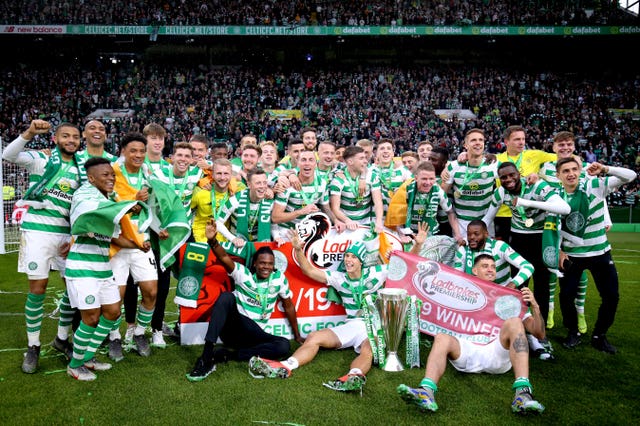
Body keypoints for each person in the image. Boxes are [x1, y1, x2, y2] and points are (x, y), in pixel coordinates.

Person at [397, 254, 545, 415]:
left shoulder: (508, 297)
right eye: (485, 266)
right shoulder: (461, 292)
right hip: (466, 350)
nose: (490, 269)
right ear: (474, 270)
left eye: (493, 267)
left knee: (515, 322)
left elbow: (539, 333)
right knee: (441, 337)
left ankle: (523, 394)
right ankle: (426, 391)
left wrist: (535, 307)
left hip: (495, 352)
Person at [249, 235, 388, 394]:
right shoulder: (339, 278)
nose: (348, 260)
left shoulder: (377, 273)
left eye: (353, 257)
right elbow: (309, 270)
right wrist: (298, 249)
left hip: (374, 325)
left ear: (361, 261)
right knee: (314, 337)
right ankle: (286, 366)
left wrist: (417, 245)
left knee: (368, 349)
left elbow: (402, 268)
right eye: (347, 256)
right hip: (353, 325)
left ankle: (354, 377)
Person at [2, 119, 83, 373]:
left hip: (66, 236)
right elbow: (8, 155)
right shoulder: (41, 159)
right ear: (55, 139)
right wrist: (28, 133)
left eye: (75, 137)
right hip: (37, 232)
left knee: (73, 287)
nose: (71, 140)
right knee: (38, 288)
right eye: (66, 136)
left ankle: (61, 339)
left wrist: (75, 237)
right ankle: (33, 346)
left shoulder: (83, 169)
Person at [186, 220, 304, 382]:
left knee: (283, 345)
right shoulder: (243, 275)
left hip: (254, 334)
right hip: (234, 329)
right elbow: (223, 257)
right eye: (262, 263)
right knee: (226, 297)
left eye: (270, 264)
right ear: (255, 264)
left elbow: (288, 305)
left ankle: (229, 355)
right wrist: (212, 241)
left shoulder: (278, 279)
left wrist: (297, 335)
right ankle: (206, 357)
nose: (266, 267)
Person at [64, 157, 141, 380]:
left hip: (103, 267)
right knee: (90, 317)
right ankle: (75, 364)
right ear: (91, 178)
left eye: (112, 175)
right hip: (82, 267)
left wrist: (139, 245)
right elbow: (90, 212)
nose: (111, 178)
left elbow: (115, 238)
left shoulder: (107, 200)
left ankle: (88, 357)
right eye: (105, 175)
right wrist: (126, 205)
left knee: (113, 313)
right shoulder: (84, 195)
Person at [555, 157, 637, 353]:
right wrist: (558, 250)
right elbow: (553, 226)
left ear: (581, 170)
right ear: (558, 175)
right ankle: (573, 331)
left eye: (574, 169)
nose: (571, 174)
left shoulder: (595, 184)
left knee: (611, 296)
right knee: (566, 297)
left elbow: (631, 176)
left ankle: (599, 335)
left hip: (600, 252)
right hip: (572, 255)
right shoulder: (555, 196)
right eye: (565, 171)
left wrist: (606, 169)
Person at [538, 131, 612, 332]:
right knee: (553, 267)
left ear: (573, 146)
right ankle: (551, 310)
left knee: (580, 273)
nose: (565, 148)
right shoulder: (545, 167)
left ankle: (580, 314)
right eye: (560, 145)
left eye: (568, 144)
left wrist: (606, 217)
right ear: (553, 147)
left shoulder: (586, 168)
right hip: (554, 224)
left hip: (578, 227)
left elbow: (598, 193)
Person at [482, 161, 570, 329]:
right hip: (518, 240)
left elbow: (564, 208)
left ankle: (540, 328)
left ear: (519, 174)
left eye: (511, 175)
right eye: (503, 177)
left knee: (542, 286)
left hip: (540, 239)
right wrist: (469, 237)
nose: (508, 180)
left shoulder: (536, 185)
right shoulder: (500, 192)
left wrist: (526, 202)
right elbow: (487, 218)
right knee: (518, 285)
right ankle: (517, 325)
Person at [107, 132, 161, 359]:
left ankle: (140, 332)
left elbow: (153, 207)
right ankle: (114, 337)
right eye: (133, 151)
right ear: (123, 152)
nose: (138, 155)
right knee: (115, 299)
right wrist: (132, 202)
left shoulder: (148, 174)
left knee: (151, 291)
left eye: (141, 151)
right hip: (118, 244)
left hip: (142, 243)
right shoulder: (112, 174)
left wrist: (159, 228)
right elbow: (105, 206)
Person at [494, 125, 557, 242]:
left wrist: (579, 159)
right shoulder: (495, 159)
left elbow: (563, 157)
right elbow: (475, 161)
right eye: (517, 139)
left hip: (530, 213)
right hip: (504, 215)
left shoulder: (536, 155)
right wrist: (464, 155)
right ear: (506, 141)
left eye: (523, 139)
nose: (521, 142)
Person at [386, 161, 464, 247]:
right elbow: (397, 214)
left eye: (431, 179)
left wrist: (458, 234)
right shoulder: (406, 189)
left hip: (431, 235)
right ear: (416, 178)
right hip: (409, 235)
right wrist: (401, 234)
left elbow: (450, 212)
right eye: (424, 179)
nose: (428, 183)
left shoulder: (438, 192)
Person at [442, 128, 498, 239]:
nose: (478, 143)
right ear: (465, 145)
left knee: (486, 255)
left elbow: (512, 178)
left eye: (481, 140)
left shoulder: (493, 164)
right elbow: (442, 194)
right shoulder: (454, 166)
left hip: (486, 221)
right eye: (473, 140)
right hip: (462, 224)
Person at [329, 145, 384, 233]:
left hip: (367, 225)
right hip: (346, 226)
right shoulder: (338, 180)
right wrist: (347, 220)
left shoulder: (372, 177)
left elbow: (378, 202)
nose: (366, 161)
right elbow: (335, 208)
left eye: (365, 158)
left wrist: (378, 221)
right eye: (361, 158)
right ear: (350, 161)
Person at [191, 158, 242, 243]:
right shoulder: (200, 193)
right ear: (213, 175)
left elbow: (254, 188)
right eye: (219, 173)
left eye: (226, 173)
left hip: (224, 240)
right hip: (200, 239)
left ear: (231, 176)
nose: (222, 177)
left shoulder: (236, 193)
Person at [371, 138, 413, 212]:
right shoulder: (370, 170)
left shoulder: (403, 170)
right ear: (376, 153)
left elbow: (414, 186)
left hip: (398, 218)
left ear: (393, 153)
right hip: (377, 219)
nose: (385, 151)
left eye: (389, 148)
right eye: (382, 148)